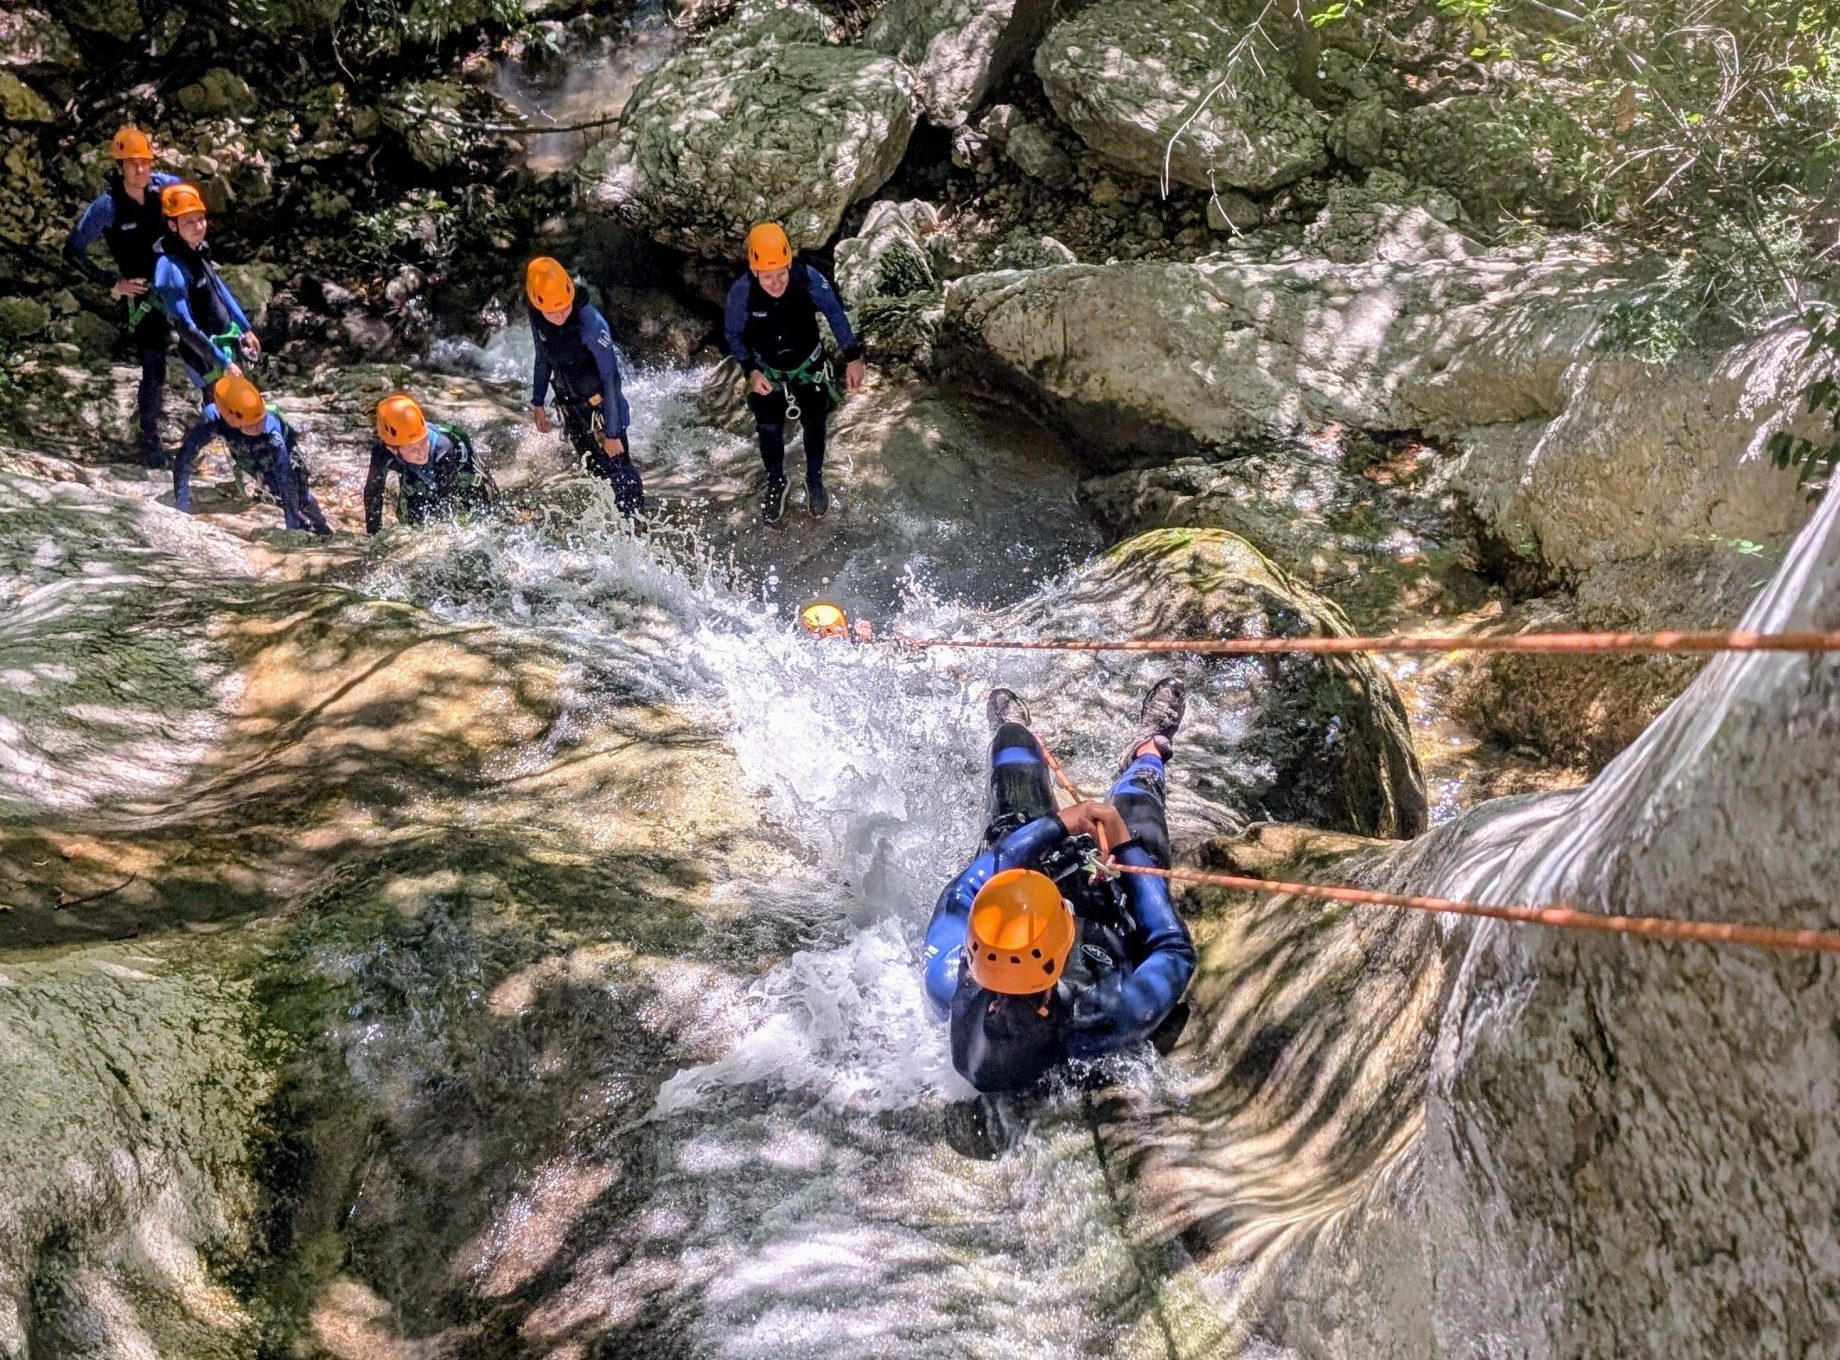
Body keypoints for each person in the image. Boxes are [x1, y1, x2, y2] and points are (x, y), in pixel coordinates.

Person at [922, 680, 1197, 1095]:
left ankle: (1015, 729)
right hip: (1108, 905)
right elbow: (1174, 950)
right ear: (1064, 930)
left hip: (1050, 867)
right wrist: (1125, 847)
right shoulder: (1108, 1013)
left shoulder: (948, 982)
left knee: (1013, 756)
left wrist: (1058, 825)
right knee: (1140, 812)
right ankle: (1150, 750)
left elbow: (960, 894)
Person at [723, 222, 866, 526]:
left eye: (781, 273)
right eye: (767, 276)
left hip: (808, 367)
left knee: (814, 424)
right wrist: (750, 370)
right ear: (754, 269)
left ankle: (814, 478)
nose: (776, 283)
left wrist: (853, 356)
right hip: (767, 370)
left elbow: (835, 313)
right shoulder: (743, 292)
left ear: (789, 264)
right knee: (769, 429)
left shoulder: (807, 278)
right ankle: (776, 481)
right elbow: (733, 335)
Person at [62, 127, 185, 466]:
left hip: (176, 282)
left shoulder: (166, 187)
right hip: (142, 292)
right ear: (119, 167)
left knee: (205, 350)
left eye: (144, 162)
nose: (140, 170)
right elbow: (72, 250)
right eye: (131, 164)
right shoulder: (107, 206)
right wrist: (110, 283)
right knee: (153, 365)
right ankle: (149, 442)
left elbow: (194, 207)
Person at [524, 256, 644, 519]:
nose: (559, 315)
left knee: (619, 470)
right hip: (569, 404)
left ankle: (637, 525)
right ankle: (614, 523)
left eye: (564, 308)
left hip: (599, 404)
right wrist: (538, 403)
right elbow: (542, 356)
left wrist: (612, 433)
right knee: (595, 469)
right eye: (552, 311)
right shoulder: (537, 315)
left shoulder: (590, 324)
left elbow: (611, 378)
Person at [173, 374, 331, 535]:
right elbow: (184, 457)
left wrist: (292, 530)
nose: (259, 427)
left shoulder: (271, 432)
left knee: (300, 497)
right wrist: (182, 504)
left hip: (281, 453)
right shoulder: (212, 420)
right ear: (227, 415)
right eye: (253, 425)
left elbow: (287, 481)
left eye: (260, 420)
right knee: (275, 491)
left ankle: (322, 530)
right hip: (247, 455)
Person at [151, 182, 262, 392]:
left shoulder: (198, 250)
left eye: (201, 219)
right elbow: (186, 328)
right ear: (173, 225)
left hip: (225, 346)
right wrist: (223, 363)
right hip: (205, 359)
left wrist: (245, 328)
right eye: (189, 222)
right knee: (220, 414)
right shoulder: (169, 269)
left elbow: (218, 288)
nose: (199, 227)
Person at [363, 392, 498, 534]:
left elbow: (447, 499)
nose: (421, 453)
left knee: (477, 500)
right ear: (392, 448)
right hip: (413, 469)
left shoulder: (443, 447)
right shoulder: (381, 453)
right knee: (412, 517)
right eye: (412, 448)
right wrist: (373, 534)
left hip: (457, 466)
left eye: (423, 442)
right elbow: (373, 492)